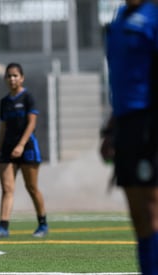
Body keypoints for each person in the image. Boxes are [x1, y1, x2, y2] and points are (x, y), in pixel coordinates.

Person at [100, 0, 158, 274]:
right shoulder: (120, 17)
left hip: (150, 120)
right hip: (126, 125)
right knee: (138, 215)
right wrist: (111, 129)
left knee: (151, 210)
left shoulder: (154, 15)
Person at [0, 63, 48, 238]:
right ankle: (3, 227)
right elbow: (3, 127)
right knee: (7, 188)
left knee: (32, 187)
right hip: (7, 150)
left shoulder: (28, 97)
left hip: (27, 148)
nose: (12, 79)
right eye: (9, 76)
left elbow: (32, 124)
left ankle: (42, 224)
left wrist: (21, 145)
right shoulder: (4, 102)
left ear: (22, 78)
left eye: (15, 75)